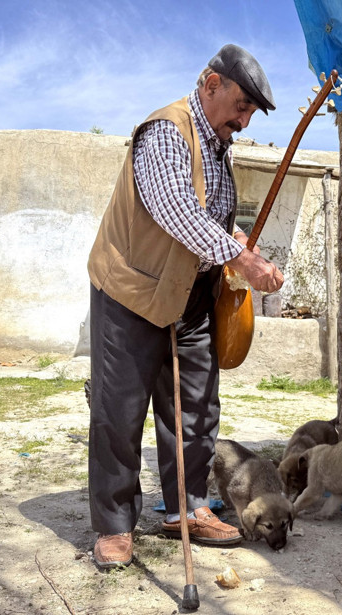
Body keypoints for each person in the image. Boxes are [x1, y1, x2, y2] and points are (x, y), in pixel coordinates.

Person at [85, 43, 284, 569]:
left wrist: (244, 245)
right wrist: (241, 260)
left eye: (250, 113)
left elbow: (212, 220)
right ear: (211, 84)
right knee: (119, 413)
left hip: (189, 297)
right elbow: (176, 212)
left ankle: (187, 509)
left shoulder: (221, 146)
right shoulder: (166, 132)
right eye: (241, 106)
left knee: (195, 409)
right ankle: (113, 525)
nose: (243, 121)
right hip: (132, 292)